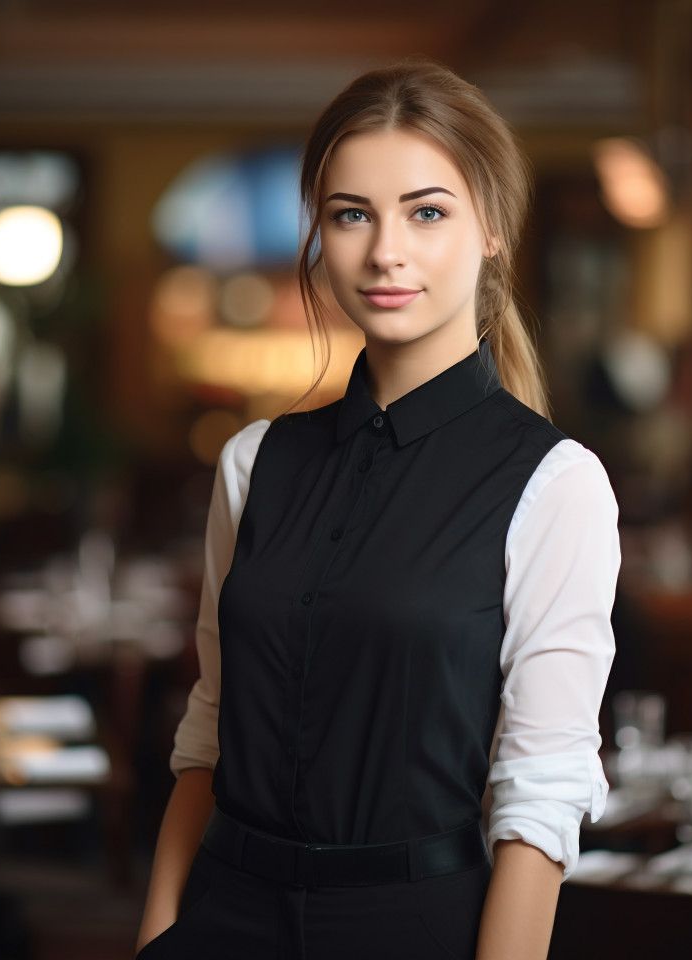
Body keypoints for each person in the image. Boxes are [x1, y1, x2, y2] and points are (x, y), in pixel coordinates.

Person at [136, 59, 620, 960]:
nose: (384, 251)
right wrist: (157, 935)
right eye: (351, 214)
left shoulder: (556, 483)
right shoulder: (253, 462)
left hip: (416, 930)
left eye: (426, 212)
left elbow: (541, 795)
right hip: (221, 920)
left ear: (493, 232)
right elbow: (210, 729)